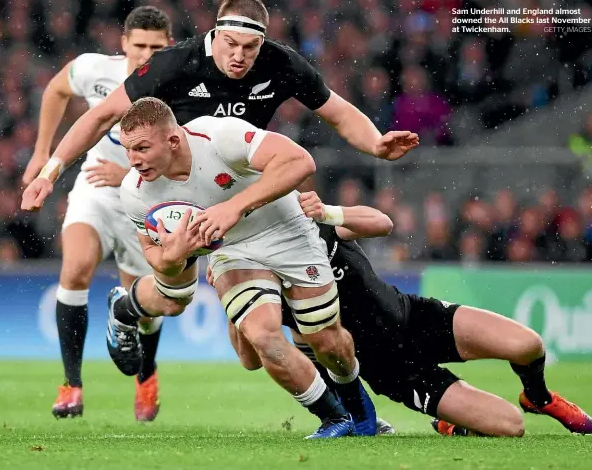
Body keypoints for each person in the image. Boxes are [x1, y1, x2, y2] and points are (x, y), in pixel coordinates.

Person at [107, 98, 416, 437]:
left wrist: (234, 207)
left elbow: (300, 161)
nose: (133, 160)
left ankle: (358, 407)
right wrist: (175, 256)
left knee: (326, 341)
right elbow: (154, 256)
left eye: (142, 148)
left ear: (174, 140)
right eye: (128, 150)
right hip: (233, 251)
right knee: (263, 336)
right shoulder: (135, 193)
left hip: (289, 231)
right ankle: (334, 418)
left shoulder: (221, 136)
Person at [219, 191, 592, 437]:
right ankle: (454, 422)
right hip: (391, 370)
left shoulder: (311, 228)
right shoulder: (258, 282)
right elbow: (255, 359)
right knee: (510, 428)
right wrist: (235, 308)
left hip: (414, 318)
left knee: (528, 345)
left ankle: (539, 397)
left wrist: (329, 212)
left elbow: (383, 224)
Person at [20, 0, 418, 213]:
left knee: (256, 330)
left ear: (263, 42)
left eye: (251, 47)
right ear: (216, 34)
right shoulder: (175, 63)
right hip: (179, 184)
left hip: (242, 184)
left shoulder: (282, 64)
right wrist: (50, 172)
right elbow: (103, 116)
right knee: (172, 296)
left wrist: (375, 143)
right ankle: (131, 308)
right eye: (231, 44)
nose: (239, 57)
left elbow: (338, 112)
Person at [21, 6, 173, 421]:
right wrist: (41, 153)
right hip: (96, 185)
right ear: (123, 43)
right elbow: (56, 89)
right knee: (75, 269)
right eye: (138, 45)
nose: (145, 54)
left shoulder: (180, 86)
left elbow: (186, 156)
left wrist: (128, 172)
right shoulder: (94, 69)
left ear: (169, 46)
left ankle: (146, 374)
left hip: (148, 196)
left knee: (147, 303)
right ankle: (71, 385)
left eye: (155, 47)